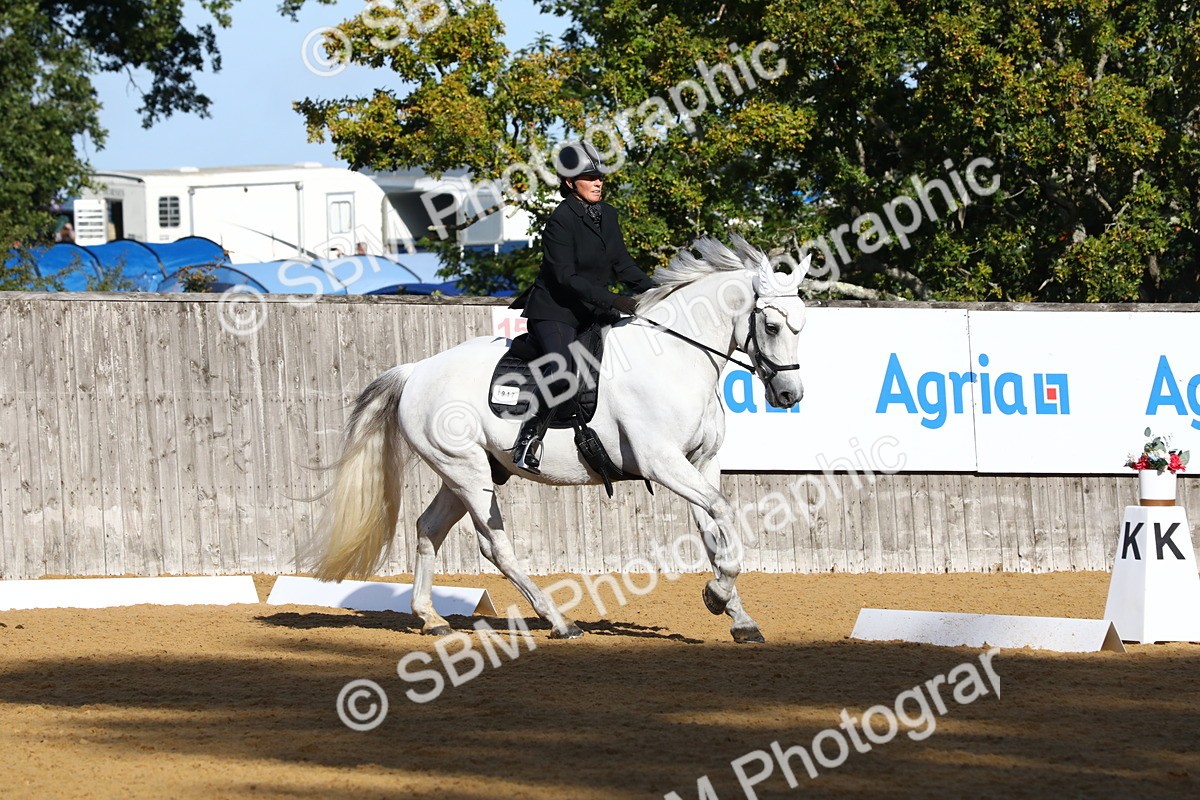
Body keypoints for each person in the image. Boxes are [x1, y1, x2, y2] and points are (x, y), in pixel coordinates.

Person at [508, 141, 655, 473]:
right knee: (562, 369)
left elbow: (624, 265)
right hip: (556, 311)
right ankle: (529, 439)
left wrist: (659, 293)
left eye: (600, 176)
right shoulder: (560, 220)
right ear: (570, 183)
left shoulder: (609, 215)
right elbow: (565, 278)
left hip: (592, 309)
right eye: (589, 177)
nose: (598, 182)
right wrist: (615, 300)